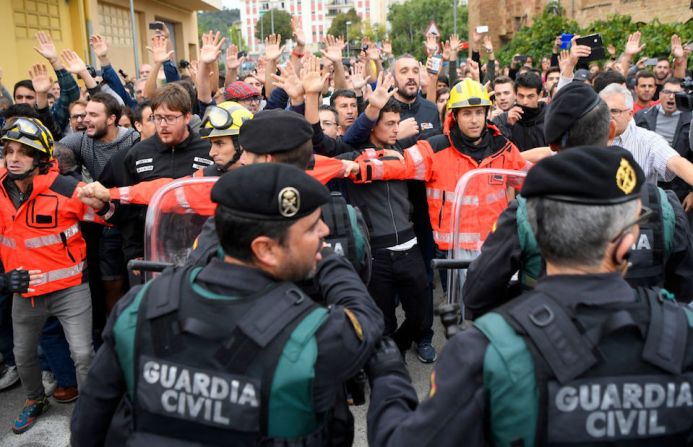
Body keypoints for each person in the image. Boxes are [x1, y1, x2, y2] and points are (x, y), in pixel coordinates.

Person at [366, 146, 693, 446]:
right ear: (625, 245)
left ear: (536, 233)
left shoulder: (484, 353)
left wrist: (389, 377)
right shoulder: (684, 332)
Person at [71, 162, 383, 446]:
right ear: (265, 249)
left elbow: (90, 423)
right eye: (313, 228)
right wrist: (330, 260)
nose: (324, 233)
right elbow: (365, 322)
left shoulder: (139, 307)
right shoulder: (310, 338)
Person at [464, 82, 693, 318]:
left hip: (546, 342)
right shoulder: (663, 205)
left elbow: (476, 296)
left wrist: (525, 305)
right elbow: (683, 292)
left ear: (552, 146)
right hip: (644, 342)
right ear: (611, 132)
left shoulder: (526, 210)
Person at [0, 117, 115, 433]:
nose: (13, 158)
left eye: (23, 152)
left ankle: (92, 414)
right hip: (25, 293)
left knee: (82, 353)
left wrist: (105, 206)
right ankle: (35, 400)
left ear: (40, 158)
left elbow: (109, 217)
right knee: (23, 356)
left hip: (70, 290)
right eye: (8, 150)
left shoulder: (66, 188)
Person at [600, 83, 693, 195]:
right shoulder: (587, 135)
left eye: (614, 111)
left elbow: (675, 162)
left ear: (630, 114)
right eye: (604, 110)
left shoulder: (648, 140)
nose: (608, 116)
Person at [635, 77, 693, 208]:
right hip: (647, 185)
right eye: (667, 92)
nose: (671, 97)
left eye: (676, 93)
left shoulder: (690, 120)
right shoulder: (642, 117)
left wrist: (692, 192)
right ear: (660, 94)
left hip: (679, 189)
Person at [492, 72, 547, 151]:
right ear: (515, 94)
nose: (525, 101)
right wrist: (508, 127)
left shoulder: (550, 117)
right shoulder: (501, 120)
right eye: (521, 96)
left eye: (530, 96)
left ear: (540, 95)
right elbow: (497, 152)